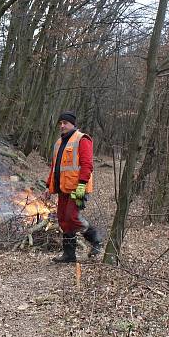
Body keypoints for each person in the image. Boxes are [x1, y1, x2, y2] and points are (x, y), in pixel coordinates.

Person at [42, 111, 102, 262]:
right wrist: (49, 188)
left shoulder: (82, 139)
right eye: (60, 123)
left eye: (65, 123)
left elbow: (87, 165)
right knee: (63, 219)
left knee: (72, 217)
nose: (62, 126)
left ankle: (96, 240)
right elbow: (54, 168)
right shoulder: (58, 143)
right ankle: (69, 255)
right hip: (63, 188)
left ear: (73, 124)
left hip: (78, 188)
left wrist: (81, 185)